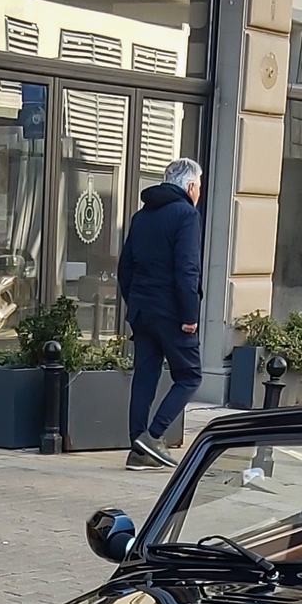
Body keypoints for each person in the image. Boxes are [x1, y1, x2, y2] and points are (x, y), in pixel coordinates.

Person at [118, 157, 204, 469]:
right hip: (172, 312)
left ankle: (136, 450)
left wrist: (135, 301)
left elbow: (125, 267)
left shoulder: (141, 216)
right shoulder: (186, 214)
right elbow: (187, 270)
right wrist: (190, 314)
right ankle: (152, 437)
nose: (199, 192)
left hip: (142, 310)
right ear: (190, 186)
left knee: (145, 377)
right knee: (190, 375)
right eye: (199, 186)